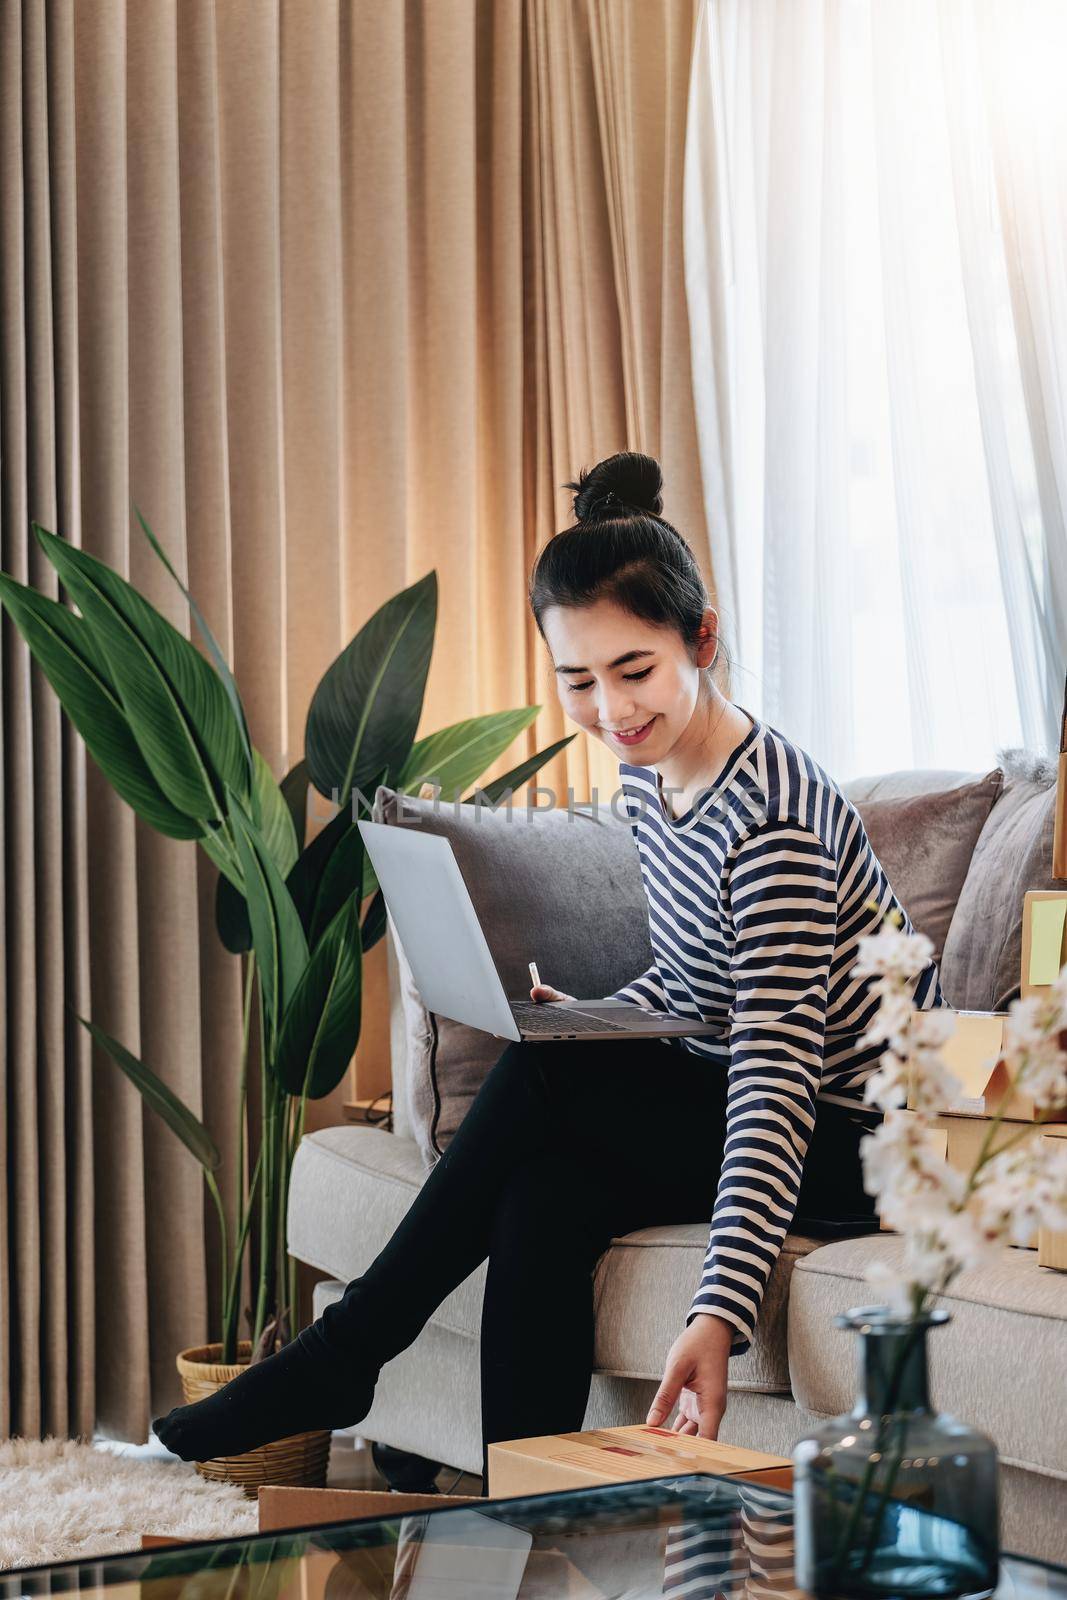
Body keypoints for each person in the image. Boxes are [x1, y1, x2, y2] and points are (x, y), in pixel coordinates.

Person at [152, 449, 945, 1485]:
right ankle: (519, 1526)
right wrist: (594, 1015)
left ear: (700, 641)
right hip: (752, 1087)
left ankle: (343, 1358)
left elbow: (772, 1073)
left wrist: (718, 1311)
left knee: (543, 1081)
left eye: (633, 671)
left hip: (856, 1139)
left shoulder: (773, 820)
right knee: (541, 1188)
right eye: (577, 679)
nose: (610, 708)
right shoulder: (652, 775)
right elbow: (697, 984)